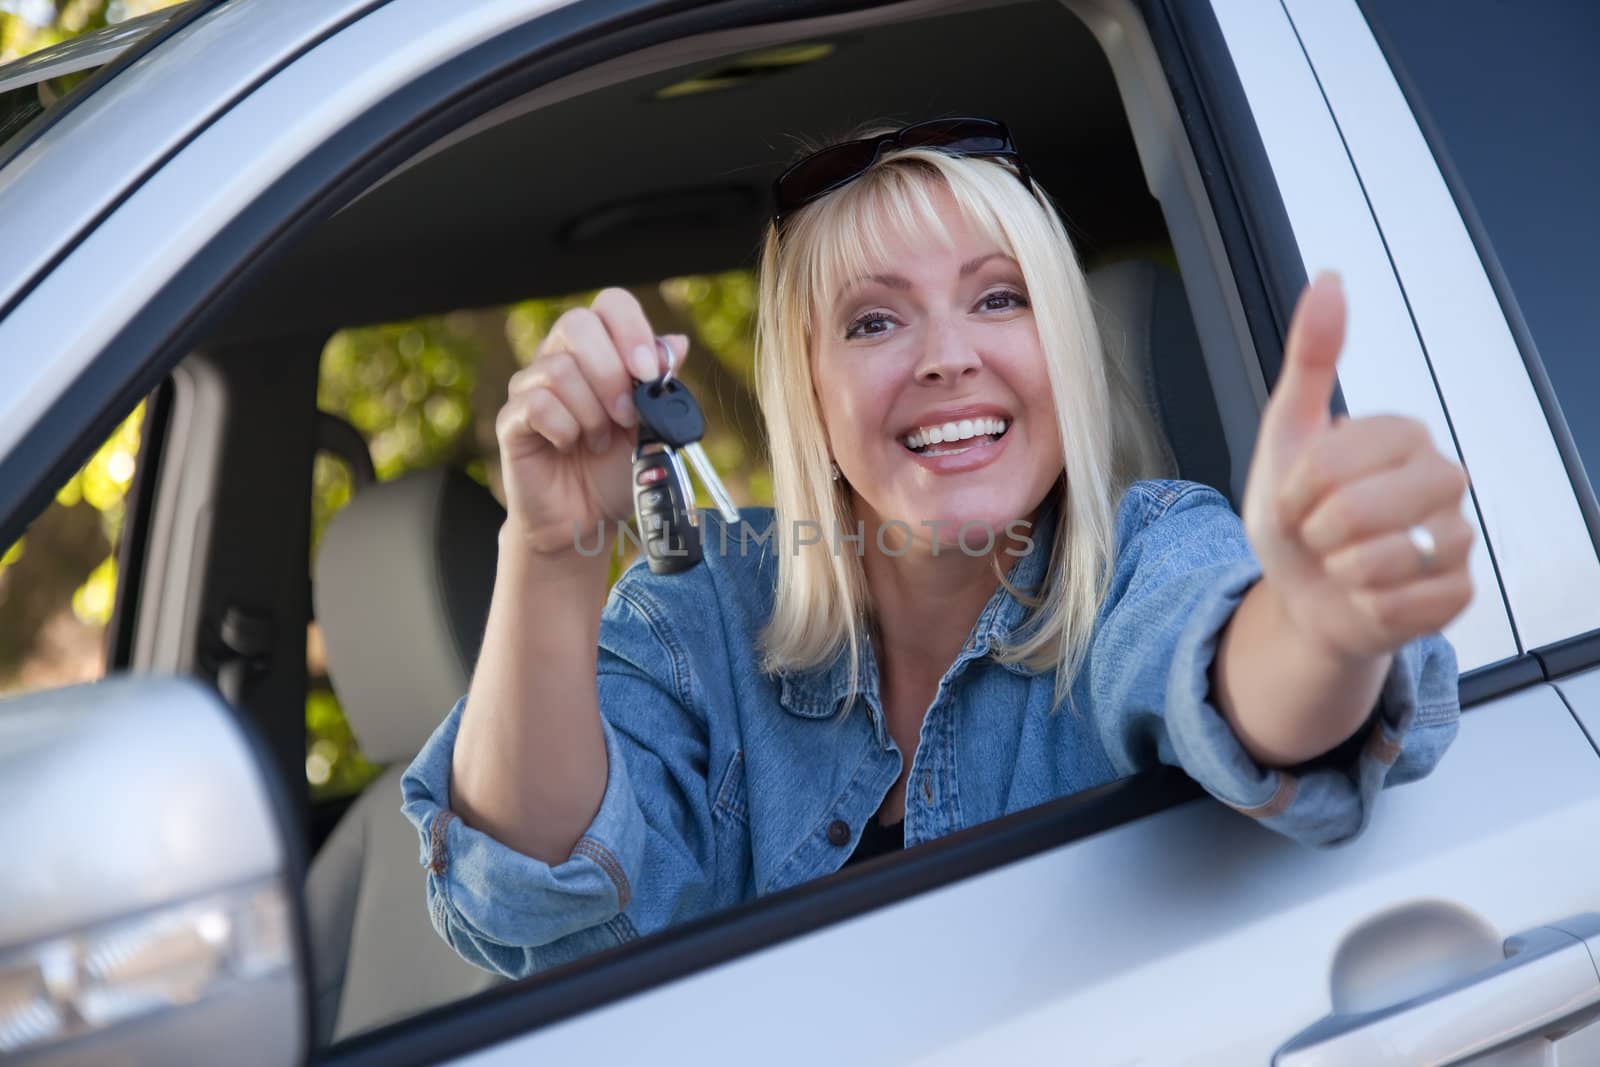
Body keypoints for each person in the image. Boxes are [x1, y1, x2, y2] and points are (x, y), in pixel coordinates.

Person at [401, 118, 1471, 978]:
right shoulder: (702, 608)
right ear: (808, 391)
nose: (946, 358)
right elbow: (533, 885)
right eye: (873, 322)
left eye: (997, 298)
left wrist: (1321, 626)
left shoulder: (1151, 551)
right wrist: (547, 546)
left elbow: (1249, 677)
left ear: (1061, 345)